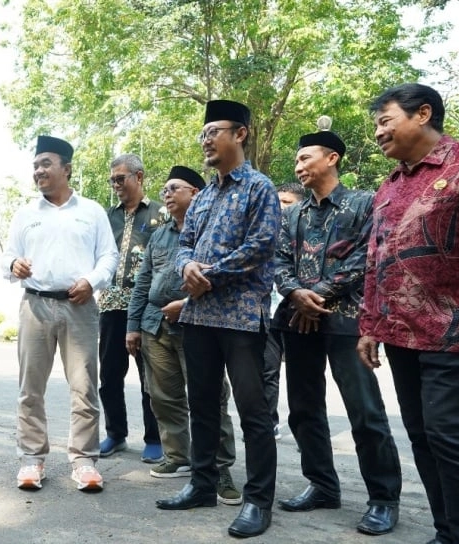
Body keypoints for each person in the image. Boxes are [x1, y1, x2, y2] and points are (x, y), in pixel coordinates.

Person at [358, 83, 459, 544]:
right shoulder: (389, 185)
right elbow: (376, 259)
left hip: (458, 331)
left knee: (449, 434)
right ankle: (448, 532)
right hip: (401, 334)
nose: (379, 134)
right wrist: (370, 324)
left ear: (423, 113)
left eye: (385, 121)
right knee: (423, 435)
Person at [155, 99, 280, 539]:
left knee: (253, 413)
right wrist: (187, 267)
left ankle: (258, 501)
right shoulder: (205, 194)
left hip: (242, 318)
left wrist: (211, 275)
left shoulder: (259, 188)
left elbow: (262, 245)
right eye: (203, 134)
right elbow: (185, 243)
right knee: (203, 406)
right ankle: (202, 485)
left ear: (239, 134)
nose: (206, 140)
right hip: (200, 317)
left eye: (214, 132)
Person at [273, 127, 402, 535]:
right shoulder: (293, 213)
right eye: (297, 160)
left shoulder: (364, 203)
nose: (299, 165)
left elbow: (369, 255)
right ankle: (322, 485)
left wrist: (319, 295)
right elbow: (278, 261)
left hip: (348, 321)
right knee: (304, 410)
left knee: (364, 412)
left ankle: (383, 498)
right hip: (299, 321)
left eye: (306, 157)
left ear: (332, 158)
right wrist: (295, 294)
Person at [3, 135, 119, 492]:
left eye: (46, 164)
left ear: (66, 169)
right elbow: (6, 257)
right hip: (35, 306)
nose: (39, 171)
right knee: (30, 387)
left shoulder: (92, 212)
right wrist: (14, 264)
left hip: (79, 306)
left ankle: (84, 461)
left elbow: (109, 258)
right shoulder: (25, 214)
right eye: (36, 165)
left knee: (84, 387)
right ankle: (31, 460)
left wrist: (91, 281)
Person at [126, 165, 242, 506]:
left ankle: (220, 469)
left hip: (197, 324)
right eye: (164, 189)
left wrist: (187, 305)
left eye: (174, 187)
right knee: (163, 397)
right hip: (155, 325)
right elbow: (142, 282)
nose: (166, 193)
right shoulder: (159, 236)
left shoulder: (211, 231)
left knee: (210, 401)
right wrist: (133, 326)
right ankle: (178, 457)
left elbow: (224, 280)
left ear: (195, 192)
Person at [98, 153, 163, 463]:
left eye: (120, 179)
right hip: (110, 307)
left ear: (139, 177)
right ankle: (115, 434)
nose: (116, 186)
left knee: (150, 376)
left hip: (147, 308)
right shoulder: (106, 217)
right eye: (112, 181)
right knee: (110, 375)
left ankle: (155, 438)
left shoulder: (160, 215)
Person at [263, 181, 306, 440]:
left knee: (301, 377)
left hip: (298, 313)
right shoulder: (264, 233)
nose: (280, 207)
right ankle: (269, 424)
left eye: (287, 202)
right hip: (269, 314)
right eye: (276, 202)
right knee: (267, 371)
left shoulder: (308, 234)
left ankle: (306, 432)